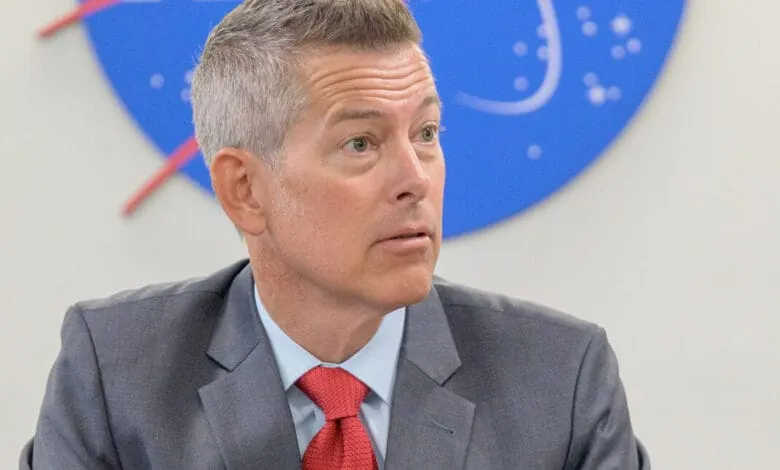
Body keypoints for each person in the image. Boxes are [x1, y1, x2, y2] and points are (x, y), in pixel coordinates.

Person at [21, 1, 649, 468]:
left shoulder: (559, 380)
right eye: (360, 142)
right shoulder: (117, 377)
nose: (414, 179)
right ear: (244, 189)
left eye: (427, 134)